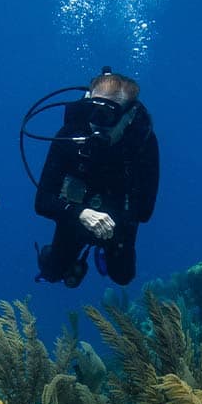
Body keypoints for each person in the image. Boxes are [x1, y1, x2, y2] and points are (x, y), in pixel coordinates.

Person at [35, 68, 159, 287]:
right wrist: (79, 213)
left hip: (118, 222)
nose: (98, 124)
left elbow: (145, 211)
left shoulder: (142, 144)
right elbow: (42, 201)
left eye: (109, 116)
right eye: (93, 112)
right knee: (52, 272)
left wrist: (113, 223)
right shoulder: (70, 135)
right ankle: (62, 259)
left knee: (123, 277)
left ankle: (101, 254)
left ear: (129, 116)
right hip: (75, 215)